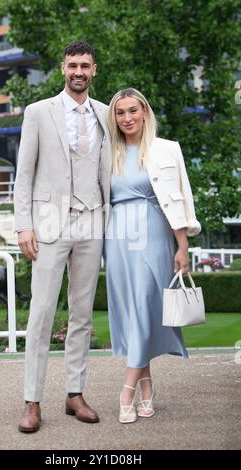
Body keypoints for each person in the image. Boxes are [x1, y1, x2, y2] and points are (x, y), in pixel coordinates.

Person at [14, 41, 111, 432]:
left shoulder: (107, 113)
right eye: (73, 65)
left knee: (82, 315)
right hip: (50, 225)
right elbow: (24, 173)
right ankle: (32, 401)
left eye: (85, 66)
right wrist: (23, 224)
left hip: (92, 224)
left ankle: (75, 393)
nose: (79, 72)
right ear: (62, 68)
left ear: (94, 70)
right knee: (41, 315)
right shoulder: (38, 112)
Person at [104, 88, 201, 424]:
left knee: (146, 304)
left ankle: (127, 390)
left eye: (133, 110)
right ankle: (147, 387)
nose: (127, 118)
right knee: (132, 311)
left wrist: (183, 245)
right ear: (114, 118)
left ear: (144, 110)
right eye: (120, 113)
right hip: (117, 239)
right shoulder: (108, 152)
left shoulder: (166, 150)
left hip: (154, 236)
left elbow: (180, 198)